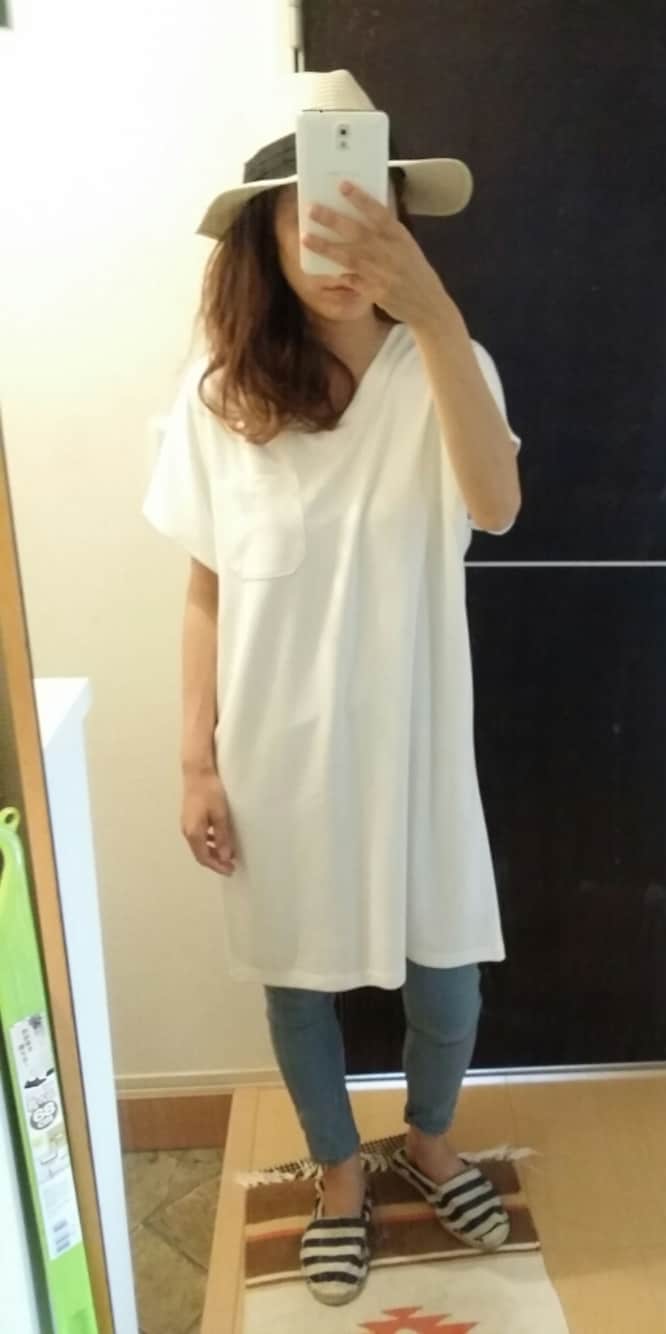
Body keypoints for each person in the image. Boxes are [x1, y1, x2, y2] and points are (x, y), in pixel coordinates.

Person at [142, 69, 521, 1306]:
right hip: (277, 754)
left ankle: (429, 1141)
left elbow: (496, 505)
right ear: (265, 232)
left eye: (366, 209)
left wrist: (438, 315)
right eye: (311, 213)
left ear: (398, 219)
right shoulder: (222, 394)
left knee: (448, 978)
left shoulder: (447, 366)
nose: (340, 240)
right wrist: (195, 759)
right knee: (296, 977)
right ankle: (340, 1173)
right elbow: (206, 585)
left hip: (417, 745)